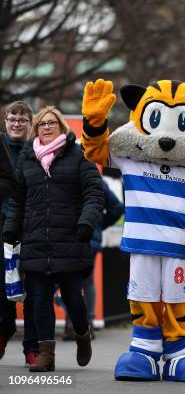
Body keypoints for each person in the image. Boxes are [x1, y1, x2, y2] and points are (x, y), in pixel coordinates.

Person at [3, 106, 103, 372]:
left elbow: (94, 191)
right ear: (36, 129)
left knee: (73, 298)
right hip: (35, 239)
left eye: (51, 123)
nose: (46, 127)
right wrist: (11, 229)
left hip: (69, 239)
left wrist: (87, 221)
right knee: (39, 299)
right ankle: (46, 354)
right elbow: (17, 199)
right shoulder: (27, 159)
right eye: (42, 124)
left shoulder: (79, 154)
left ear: (61, 126)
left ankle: (83, 334)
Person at [0, 101, 39, 366]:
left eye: (23, 120)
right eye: (12, 119)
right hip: (3, 231)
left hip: (32, 227)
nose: (17, 123)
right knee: (4, 289)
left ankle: (32, 349)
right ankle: (5, 330)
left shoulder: (38, 149)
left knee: (36, 291)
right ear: (5, 122)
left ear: (30, 123)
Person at [63, 179, 123, 340]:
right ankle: (87, 324)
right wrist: (98, 225)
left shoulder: (63, 173)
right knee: (87, 282)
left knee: (68, 280)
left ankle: (72, 325)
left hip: (67, 236)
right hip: (91, 238)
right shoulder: (98, 180)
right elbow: (117, 207)